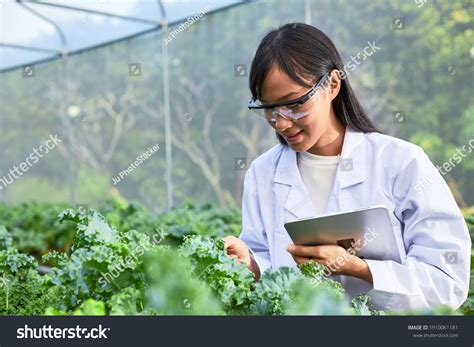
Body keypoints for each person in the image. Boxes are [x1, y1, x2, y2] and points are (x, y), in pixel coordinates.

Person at [223, 23, 471, 312]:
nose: (281, 122)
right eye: (269, 109)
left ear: (332, 84)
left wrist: (360, 268)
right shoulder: (262, 173)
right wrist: (250, 263)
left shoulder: (401, 163)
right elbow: (267, 263)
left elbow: (447, 282)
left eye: (294, 104)